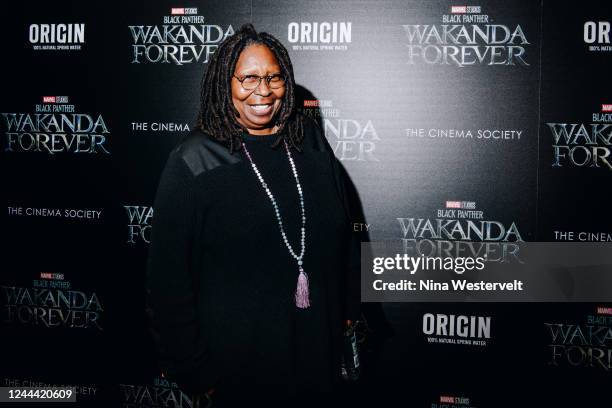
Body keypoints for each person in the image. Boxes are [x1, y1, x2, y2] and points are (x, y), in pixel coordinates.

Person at [145, 23, 363, 407]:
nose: (263, 91)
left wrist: (348, 311)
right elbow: (167, 282)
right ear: (224, 83)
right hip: (240, 373)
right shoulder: (194, 159)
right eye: (247, 78)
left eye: (273, 77)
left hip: (318, 359)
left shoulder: (307, 139)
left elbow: (342, 232)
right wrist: (198, 375)